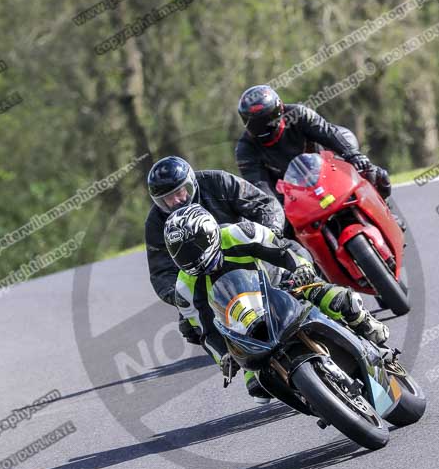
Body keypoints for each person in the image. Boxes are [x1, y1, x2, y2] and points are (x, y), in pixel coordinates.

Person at [164, 204, 389, 403]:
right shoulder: (184, 288)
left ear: (210, 233)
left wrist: (301, 268)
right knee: (256, 385)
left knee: (337, 300)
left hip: (281, 283)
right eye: (181, 254)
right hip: (244, 322)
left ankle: (369, 330)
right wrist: (223, 356)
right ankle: (311, 397)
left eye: (194, 247)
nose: (190, 256)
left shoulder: (239, 233)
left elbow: (283, 251)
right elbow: (205, 331)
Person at [145, 155, 286, 344]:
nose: (177, 200)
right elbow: (161, 272)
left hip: (249, 255)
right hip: (207, 279)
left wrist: (270, 234)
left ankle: (331, 306)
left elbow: (264, 204)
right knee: (188, 327)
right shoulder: (155, 222)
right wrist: (181, 295)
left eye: (181, 191)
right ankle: (238, 357)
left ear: (191, 183)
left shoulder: (218, 181)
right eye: (167, 199)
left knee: (295, 260)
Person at [235, 84, 393, 201]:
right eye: (255, 123)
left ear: (279, 111)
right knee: (283, 230)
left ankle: (385, 208)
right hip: (293, 191)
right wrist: (275, 208)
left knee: (374, 174)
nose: (263, 127)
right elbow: (259, 184)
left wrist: (353, 155)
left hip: (327, 165)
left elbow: (327, 133)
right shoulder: (245, 149)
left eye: (267, 119)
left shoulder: (298, 114)